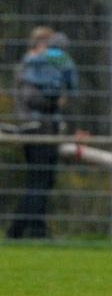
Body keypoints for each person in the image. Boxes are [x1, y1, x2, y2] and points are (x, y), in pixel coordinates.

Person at [6, 27, 78, 239]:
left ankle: (34, 230)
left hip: (44, 127)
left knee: (43, 181)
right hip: (38, 128)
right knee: (39, 181)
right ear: (40, 45)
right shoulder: (31, 67)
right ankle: (19, 231)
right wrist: (55, 99)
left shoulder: (39, 67)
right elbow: (31, 98)